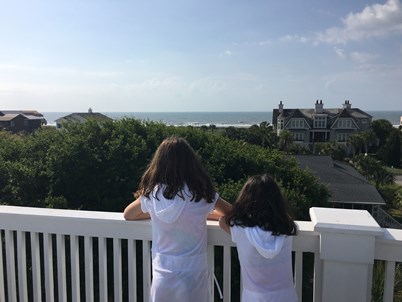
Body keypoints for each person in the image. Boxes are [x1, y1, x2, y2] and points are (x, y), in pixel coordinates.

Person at [124, 136, 232, 302]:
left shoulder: (153, 194)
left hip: (163, 272)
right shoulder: (200, 193)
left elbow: (129, 214)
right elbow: (231, 212)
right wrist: (203, 213)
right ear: (190, 163)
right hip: (194, 273)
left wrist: (153, 212)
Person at [219, 174, 298, 302]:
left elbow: (222, 220)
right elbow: (283, 217)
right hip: (286, 297)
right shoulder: (287, 228)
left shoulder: (240, 229)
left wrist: (239, 214)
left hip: (254, 298)